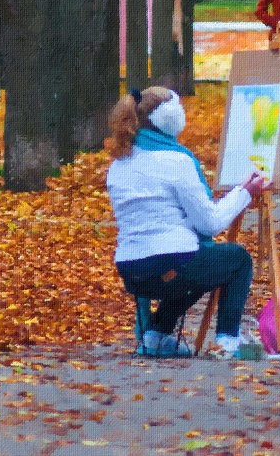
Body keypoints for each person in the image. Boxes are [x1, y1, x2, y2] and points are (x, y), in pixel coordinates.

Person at [106, 86, 271, 358]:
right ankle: (227, 341)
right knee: (237, 259)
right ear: (171, 119)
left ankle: (156, 336)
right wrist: (245, 193)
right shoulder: (176, 161)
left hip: (132, 271)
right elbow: (210, 224)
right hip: (170, 265)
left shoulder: (118, 164)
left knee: (197, 266)